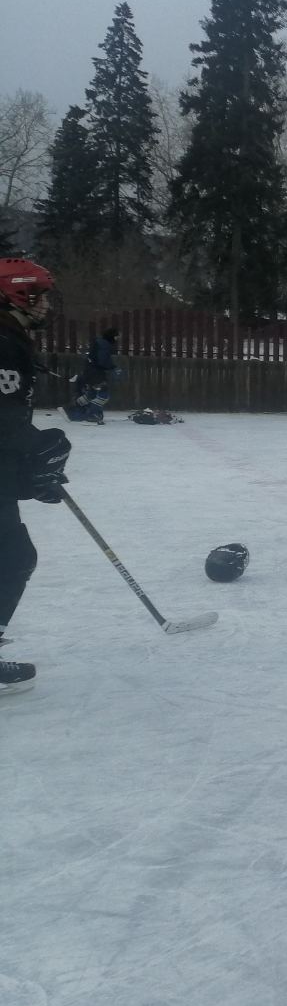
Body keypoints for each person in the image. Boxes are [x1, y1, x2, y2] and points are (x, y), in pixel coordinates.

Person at [0, 258, 72, 695]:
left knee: (13, 555)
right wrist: (37, 453)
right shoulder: (4, 342)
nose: (46, 303)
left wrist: (30, 476)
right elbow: (4, 422)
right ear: (18, 293)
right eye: (40, 294)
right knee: (14, 557)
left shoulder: (11, 337)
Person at [66, 326, 121, 424]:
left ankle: (74, 408)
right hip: (96, 373)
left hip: (90, 371)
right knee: (103, 395)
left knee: (91, 394)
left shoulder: (99, 342)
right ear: (112, 336)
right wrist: (113, 368)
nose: (117, 339)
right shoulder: (104, 344)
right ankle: (92, 414)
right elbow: (102, 360)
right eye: (117, 337)